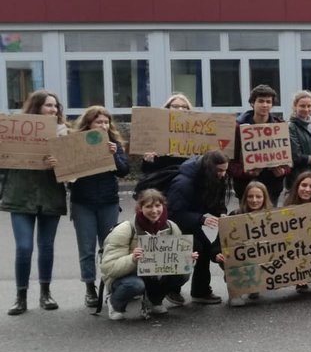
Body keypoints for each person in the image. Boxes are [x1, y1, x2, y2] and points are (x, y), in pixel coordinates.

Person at [2, 90, 68, 315]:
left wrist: (59, 164)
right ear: (36, 107)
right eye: (48, 105)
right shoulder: (16, 132)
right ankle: (20, 296)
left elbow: (73, 171)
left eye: (55, 106)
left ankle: (45, 293)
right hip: (20, 196)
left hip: (50, 196)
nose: (53, 110)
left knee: (46, 246)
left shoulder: (64, 134)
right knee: (24, 247)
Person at [99, 188, 196, 321]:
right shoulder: (125, 229)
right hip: (127, 276)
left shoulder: (171, 227)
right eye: (148, 206)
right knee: (135, 285)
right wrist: (132, 258)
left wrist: (187, 258)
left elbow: (178, 260)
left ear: (163, 205)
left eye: (158, 205)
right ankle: (114, 303)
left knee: (183, 275)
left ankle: (155, 300)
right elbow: (108, 268)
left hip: (155, 275)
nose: (154, 210)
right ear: (140, 208)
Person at [68, 105, 130, 310]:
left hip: (108, 202)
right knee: (86, 248)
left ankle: (111, 284)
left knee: (109, 247)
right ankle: (90, 287)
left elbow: (123, 171)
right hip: (83, 202)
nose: (103, 125)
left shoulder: (114, 144)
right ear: (89, 124)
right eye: (99, 122)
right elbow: (68, 175)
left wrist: (113, 154)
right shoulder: (75, 144)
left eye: (106, 122)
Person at [166, 150, 230, 305]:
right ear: (210, 168)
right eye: (220, 170)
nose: (223, 174)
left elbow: (216, 200)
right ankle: (171, 289)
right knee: (192, 250)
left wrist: (221, 213)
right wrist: (201, 219)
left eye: (225, 170)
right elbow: (173, 214)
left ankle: (200, 291)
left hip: (190, 219)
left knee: (205, 249)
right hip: (174, 224)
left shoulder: (213, 177)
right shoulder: (183, 183)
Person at [228, 84, 292, 204]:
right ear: (252, 103)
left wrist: (283, 171)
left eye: (268, 102)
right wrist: (245, 172)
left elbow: (289, 160)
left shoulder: (280, 127)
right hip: (246, 187)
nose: (265, 105)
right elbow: (230, 162)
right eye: (261, 101)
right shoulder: (237, 128)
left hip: (272, 186)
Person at [226, 181, 271, 306]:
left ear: (264, 198)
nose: (254, 200)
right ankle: (236, 292)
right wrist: (217, 254)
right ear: (245, 198)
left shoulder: (272, 217)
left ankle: (255, 285)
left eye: (258, 197)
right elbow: (218, 243)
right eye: (250, 196)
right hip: (240, 258)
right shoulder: (234, 215)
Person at [138, 93, 195, 186]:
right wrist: (148, 160)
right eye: (175, 106)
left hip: (186, 183)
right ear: (168, 108)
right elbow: (146, 169)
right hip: (162, 183)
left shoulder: (197, 133)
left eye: (184, 107)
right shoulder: (156, 131)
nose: (180, 109)